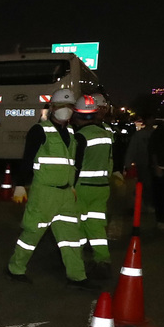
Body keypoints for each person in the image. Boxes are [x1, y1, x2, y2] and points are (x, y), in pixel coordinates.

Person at [6, 88, 93, 288]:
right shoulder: (40, 130)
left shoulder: (72, 134)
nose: (65, 109)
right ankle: (15, 269)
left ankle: (77, 276)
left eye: (69, 106)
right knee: (31, 234)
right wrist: (20, 185)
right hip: (44, 192)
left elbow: (73, 163)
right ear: (52, 107)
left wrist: (72, 185)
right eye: (61, 105)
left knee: (71, 237)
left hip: (66, 194)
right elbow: (27, 159)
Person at [71, 95, 113, 273]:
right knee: (96, 226)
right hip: (102, 187)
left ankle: (76, 261)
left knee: (77, 224)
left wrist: (70, 187)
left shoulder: (80, 136)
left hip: (82, 188)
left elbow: (76, 165)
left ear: (77, 115)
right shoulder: (106, 134)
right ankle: (102, 259)